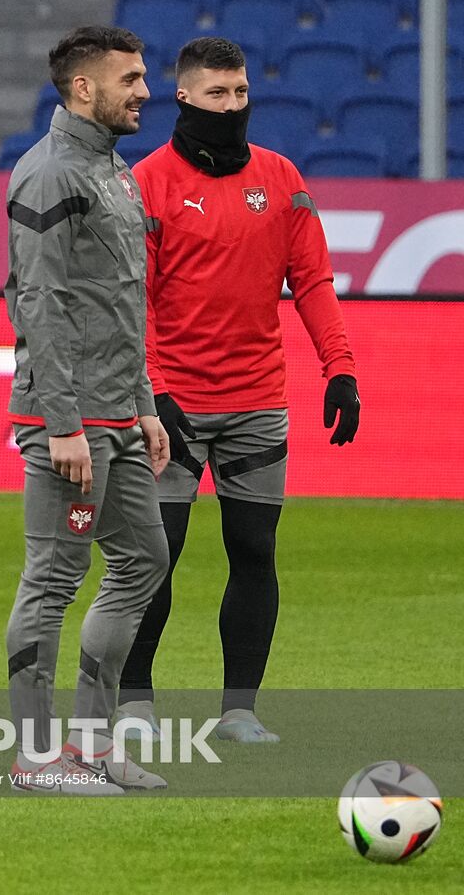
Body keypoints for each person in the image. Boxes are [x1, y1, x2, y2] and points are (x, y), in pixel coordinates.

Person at [116, 37, 359, 744]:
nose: (232, 106)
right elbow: (136, 300)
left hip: (258, 399)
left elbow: (311, 280)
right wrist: (152, 388)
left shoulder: (282, 179)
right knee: (156, 551)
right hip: (173, 404)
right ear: (184, 97)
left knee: (254, 548)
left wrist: (339, 367)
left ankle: (240, 711)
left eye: (241, 93)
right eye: (217, 94)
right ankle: (135, 699)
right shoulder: (149, 182)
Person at [3, 25, 171, 795]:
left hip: (116, 412)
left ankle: (91, 743)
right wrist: (62, 421)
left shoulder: (114, 172)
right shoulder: (48, 176)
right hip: (67, 420)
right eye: (130, 78)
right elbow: (40, 302)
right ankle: (34, 755)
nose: (144, 89)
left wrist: (143, 405)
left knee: (143, 561)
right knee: (54, 578)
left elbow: (121, 302)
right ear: (82, 88)